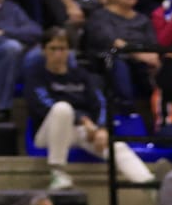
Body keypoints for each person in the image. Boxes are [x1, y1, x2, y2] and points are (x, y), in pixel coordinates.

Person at [26, 26, 157, 192]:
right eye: (53, 49)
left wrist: (101, 128)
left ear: (69, 50)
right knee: (62, 108)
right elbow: (44, 106)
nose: (58, 54)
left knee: (115, 146)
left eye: (62, 48)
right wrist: (83, 119)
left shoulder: (82, 75)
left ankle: (149, 184)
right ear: (44, 50)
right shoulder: (35, 75)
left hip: (80, 131)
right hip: (47, 134)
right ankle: (57, 172)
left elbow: (100, 103)